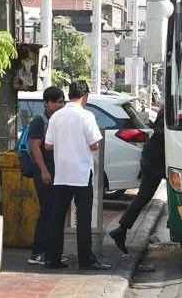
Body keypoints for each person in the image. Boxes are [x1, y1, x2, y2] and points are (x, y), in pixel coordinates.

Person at [43, 80, 111, 270]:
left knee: (57, 216)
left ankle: (52, 258)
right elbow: (94, 144)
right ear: (85, 96)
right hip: (81, 174)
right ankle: (86, 260)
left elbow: (48, 146)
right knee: (83, 217)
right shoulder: (86, 116)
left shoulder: (56, 116)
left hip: (61, 174)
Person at [108, 109, 166, 254]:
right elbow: (160, 132)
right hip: (155, 160)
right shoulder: (171, 109)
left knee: (144, 196)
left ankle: (121, 230)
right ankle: (121, 230)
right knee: (143, 196)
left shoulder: (170, 108)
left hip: (157, 158)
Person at [26, 86, 67, 265]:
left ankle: (50, 252)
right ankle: (37, 252)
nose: (60, 105)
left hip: (56, 172)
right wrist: (44, 170)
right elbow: (35, 147)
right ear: (46, 103)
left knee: (52, 211)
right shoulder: (39, 121)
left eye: (62, 102)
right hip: (44, 173)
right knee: (48, 211)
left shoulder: (59, 120)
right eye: (56, 102)